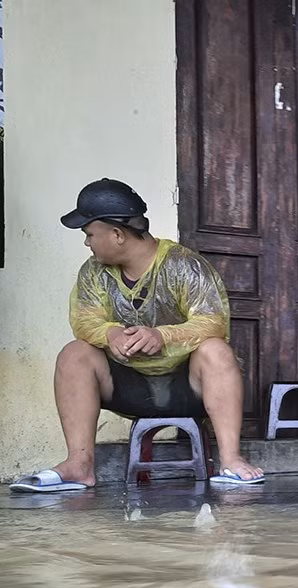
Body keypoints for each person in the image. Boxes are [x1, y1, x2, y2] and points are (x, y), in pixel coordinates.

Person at [10, 178, 264, 492]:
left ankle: (231, 460)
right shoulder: (93, 271)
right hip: (127, 385)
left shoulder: (184, 265)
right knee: (75, 352)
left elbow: (213, 322)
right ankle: (79, 465)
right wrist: (110, 333)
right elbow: (84, 320)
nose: (87, 243)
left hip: (187, 385)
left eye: (89, 234)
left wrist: (163, 336)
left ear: (117, 234)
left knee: (216, 349)